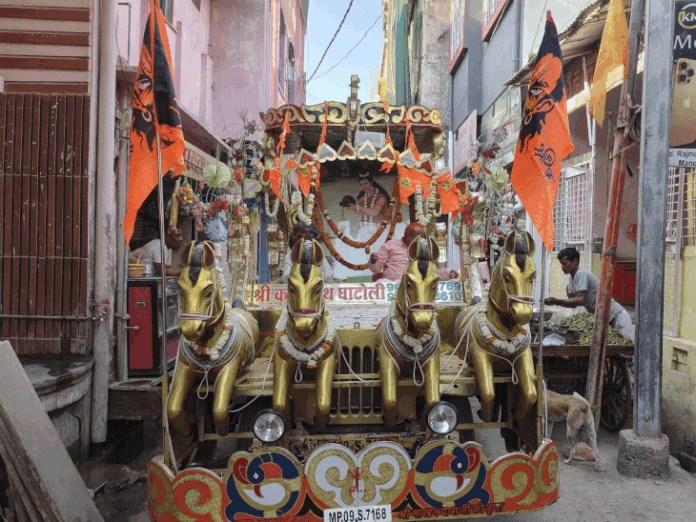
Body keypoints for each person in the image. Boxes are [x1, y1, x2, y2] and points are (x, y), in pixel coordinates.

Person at [544, 247, 633, 340]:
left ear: (574, 262)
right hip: (605, 319)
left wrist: (557, 301)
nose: (562, 267)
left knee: (623, 345)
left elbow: (581, 300)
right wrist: (566, 296)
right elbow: (573, 304)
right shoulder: (572, 280)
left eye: (565, 263)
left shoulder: (582, 274)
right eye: (561, 264)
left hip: (616, 317)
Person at [368, 223, 458, 282]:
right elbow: (375, 269)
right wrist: (373, 260)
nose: (421, 240)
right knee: (380, 283)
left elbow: (429, 272)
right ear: (408, 237)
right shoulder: (390, 246)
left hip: (413, 287)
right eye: (418, 238)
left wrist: (448, 273)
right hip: (391, 285)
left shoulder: (422, 249)